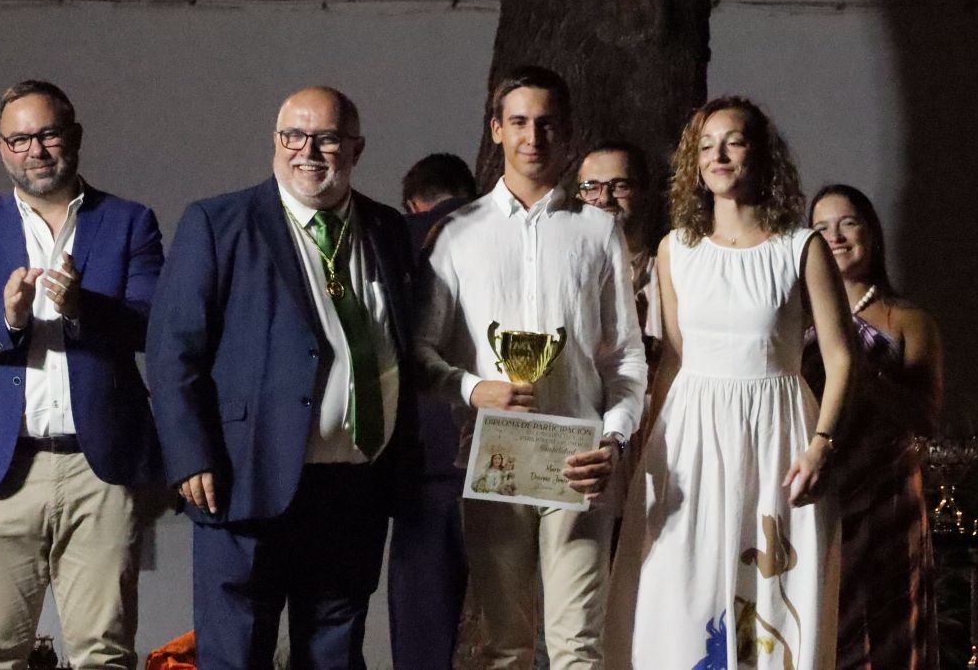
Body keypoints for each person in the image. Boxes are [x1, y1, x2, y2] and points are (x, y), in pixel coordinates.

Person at [146, 86, 419, 670]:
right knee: (238, 653)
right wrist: (190, 454)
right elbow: (174, 351)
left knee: (335, 653)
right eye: (293, 136)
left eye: (326, 137)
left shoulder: (388, 230)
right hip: (243, 477)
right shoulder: (218, 223)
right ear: (275, 143)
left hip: (355, 486)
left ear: (356, 148)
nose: (308, 151)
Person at [605, 96, 853, 670]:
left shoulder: (801, 247)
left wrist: (821, 445)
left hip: (777, 442)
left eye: (734, 141)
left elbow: (841, 360)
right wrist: (646, 439)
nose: (719, 154)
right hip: (689, 439)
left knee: (771, 601)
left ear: (760, 155)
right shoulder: (676, 251)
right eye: (707, 144)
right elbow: (673, 359)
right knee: (676, 597)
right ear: (695, 160)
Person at [414, 65, 647, 669]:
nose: (532, 136)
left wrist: (614, 439)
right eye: (518, 121)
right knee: (505, 647)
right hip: (495, 460)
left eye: (546, 124)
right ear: (496, 130)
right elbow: (420, 353)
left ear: (567, 135)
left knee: (578, 647)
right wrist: (473, 389)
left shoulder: (598, 232)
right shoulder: (457, 235)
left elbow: (624, 356)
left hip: (580, 462)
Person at [0, 79, 164, 669]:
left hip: (98, 470)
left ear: (73, 137)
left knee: (105, 654)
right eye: (19, 139)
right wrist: (6, 319)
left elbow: (155, 325)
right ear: (1, 148)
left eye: (47, 134)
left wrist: (82, 309)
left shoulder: (129, 222)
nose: (36, 150)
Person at [806, 184, 941, 670]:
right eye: (821, 228)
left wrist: (862, 371)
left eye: (848, 223)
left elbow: (924, 415)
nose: (835, 237)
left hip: (884, 500)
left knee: (884, 636)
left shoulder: (906, 318)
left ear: (871, 234)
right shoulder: (794, 316)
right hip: (817, 493)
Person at [388, 152, 475, 670]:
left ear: (413, 201)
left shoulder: (390, 237)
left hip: (420, 461)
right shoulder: (506, 229)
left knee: (424, 633)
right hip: (508, 450)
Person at [575, 142, 663, 389]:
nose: (604, 198)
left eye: (620, 186)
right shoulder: (563, 273)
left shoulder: (673, 270)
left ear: (645, 192)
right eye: (591, 187)